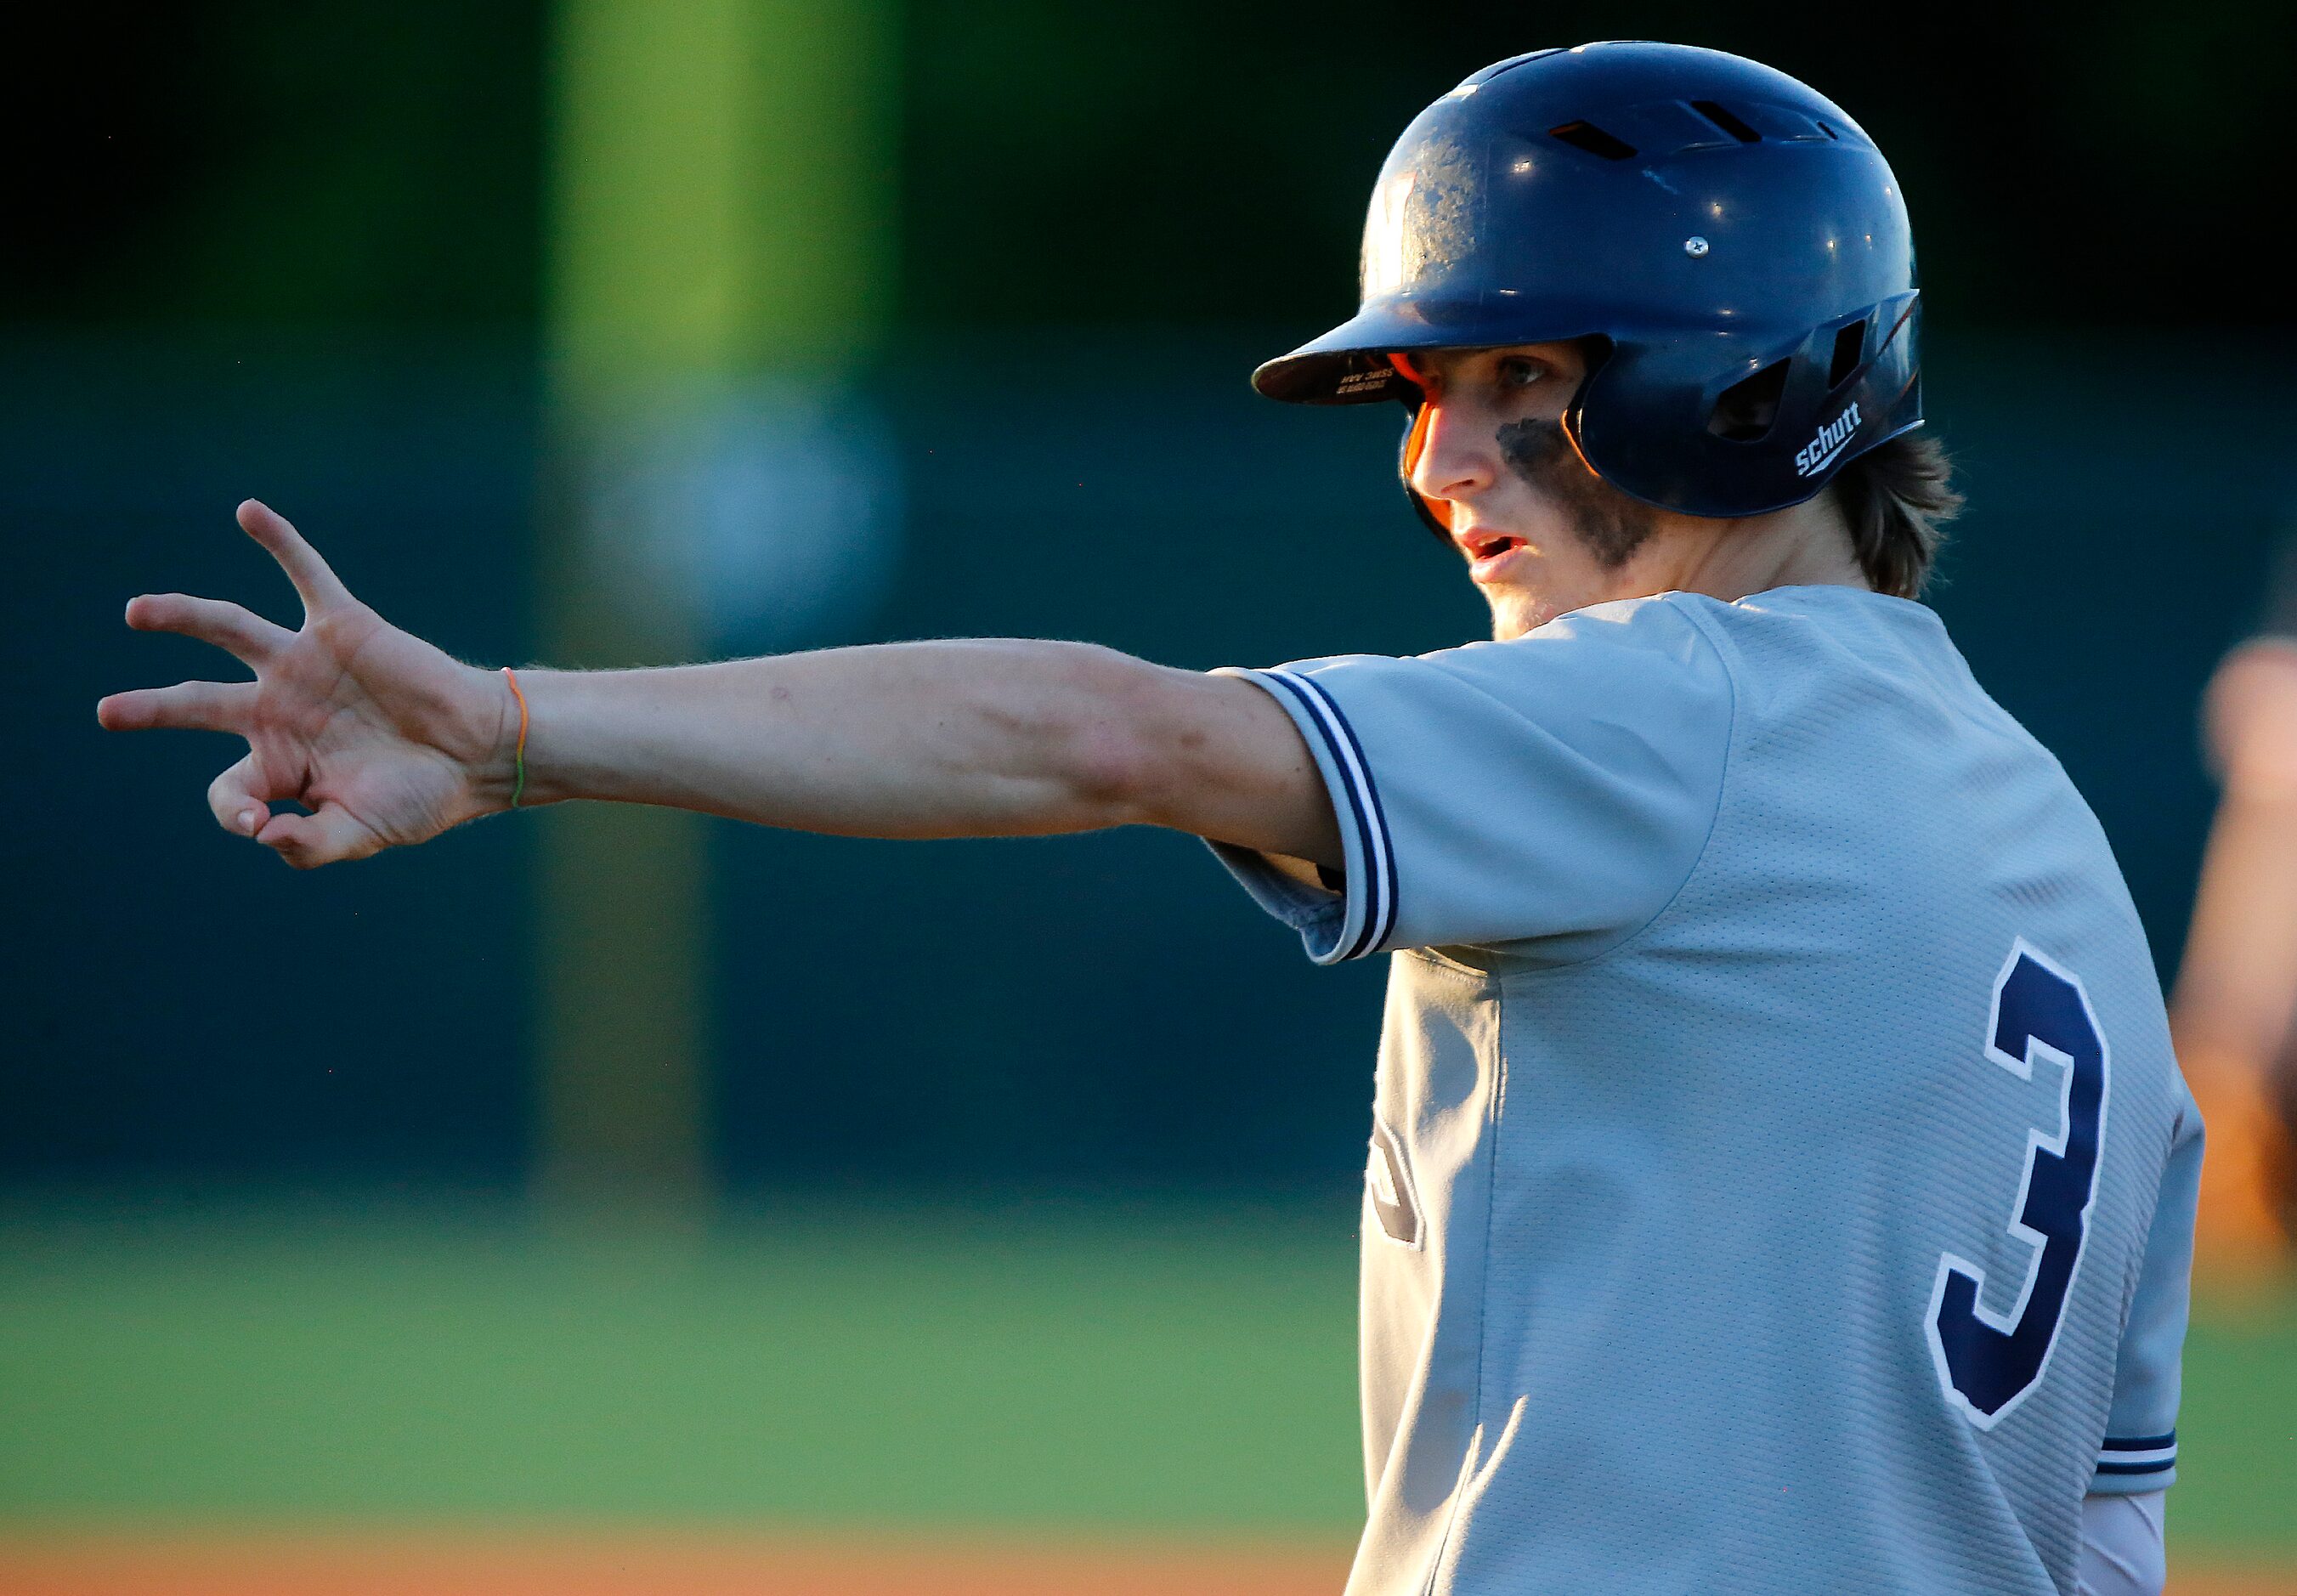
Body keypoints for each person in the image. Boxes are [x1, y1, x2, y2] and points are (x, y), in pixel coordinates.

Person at [100, 42, 2194, 1596]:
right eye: (1416, 396)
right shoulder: (2055, 859)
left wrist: (512, 728)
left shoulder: (1681, 708)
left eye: (1506, 374)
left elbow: (1108, 741)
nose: (1433, 456)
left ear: (1723, 379)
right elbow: (2108, 1524)